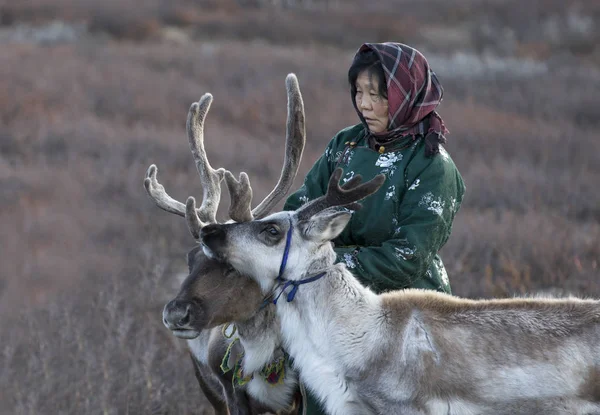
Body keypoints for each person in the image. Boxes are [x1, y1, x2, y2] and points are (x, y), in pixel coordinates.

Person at [283, 42, 466, 414]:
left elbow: (407, 257)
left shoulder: (432, 166)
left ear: (406, 95)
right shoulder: (346, 145)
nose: (364, 104)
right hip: (332, 312)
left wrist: (325, 263)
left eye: (377, 95)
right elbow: (299, 209)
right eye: (358, 92)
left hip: (407, 320)